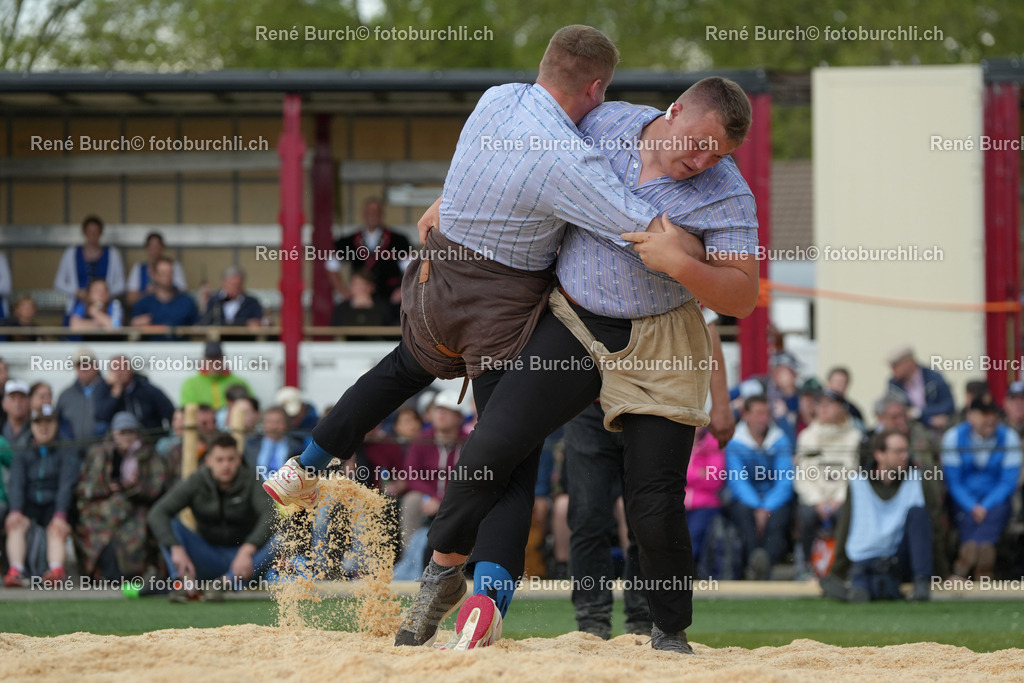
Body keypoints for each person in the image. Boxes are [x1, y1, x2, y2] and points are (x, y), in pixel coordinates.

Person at [266, 29, 756, 654]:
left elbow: (742, 297)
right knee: (492, 446)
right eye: (700, 144)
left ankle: (669, 632)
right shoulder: (602, 123)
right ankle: (443, 577)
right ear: (675, 111)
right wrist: (456, 199)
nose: (705, 161)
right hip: (575, 319)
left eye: (719, 154)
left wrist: (684, 263)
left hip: (661, 339)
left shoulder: (726, 190)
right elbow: (524, 165)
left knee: (652, 501)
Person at [147, 433, 277, 601]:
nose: (226, 465)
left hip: (246, 560)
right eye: (219, 460)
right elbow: (157, 513)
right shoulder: (197, 480)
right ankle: (183, 584)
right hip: (207, 555)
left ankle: (223, 584)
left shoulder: (252, 478)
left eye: (231, 459)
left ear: (239, 460)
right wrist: (175, 548)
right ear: (208, 461)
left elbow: (270, 514)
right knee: (169, 525)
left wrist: (248, 549)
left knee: (282, 537)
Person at [821, 429, 939, 602]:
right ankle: (858, 590)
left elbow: (934, 528)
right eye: (898, 451)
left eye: (906, 450)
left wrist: (943, 575)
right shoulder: (857, 483)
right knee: (863, 575)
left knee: (919, 514)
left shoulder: (919, 479)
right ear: (879, 455)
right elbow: (845, 529)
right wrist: (836, 573)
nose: (905, 456)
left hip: (901, 556)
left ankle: (921, 582)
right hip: (867, 556)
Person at [75, 412, 169, 580]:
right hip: (100, 509)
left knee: (138, 532)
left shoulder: (148, 454)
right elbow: (85, 487)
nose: (126, 437)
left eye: (130, 432)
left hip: (137, 507)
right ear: (113, 433)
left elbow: (156, 487)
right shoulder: (99, 453)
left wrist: (134, 487)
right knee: (97, 532)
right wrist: (106, 488)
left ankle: (136, 573)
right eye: (122, 433)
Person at [941, 397, 1022, 579]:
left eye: (994, 414)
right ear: (970, 416)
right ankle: (984, 566)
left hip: (996, 500)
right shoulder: (953, 437)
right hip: (963, 500)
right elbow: (954, 482)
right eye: (984, 414)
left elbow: (1008, 482)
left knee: (995, 512)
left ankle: (964, 563)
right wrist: (972, 506)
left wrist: (985, 505)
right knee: (967, 515)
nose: (990, 419)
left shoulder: (1009, 437)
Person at [3, 404, 81, 587]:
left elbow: (66, 486)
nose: (43, 427)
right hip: (30, 504)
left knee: (57, 528)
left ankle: (56, 571)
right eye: (38, 422)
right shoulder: (23, 448)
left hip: (54, 504)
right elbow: (17, 483)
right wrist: (15, 510)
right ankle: (15, 571)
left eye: (48, 422)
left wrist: (61, 514)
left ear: (56, 424)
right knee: (15, 525)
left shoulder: (66, 448)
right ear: (32, 425)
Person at [793, 389, 862, 579]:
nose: (823, 408)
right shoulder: (807, 436)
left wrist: (838, 499)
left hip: (842, 498)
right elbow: (803, 474)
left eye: (829, 404)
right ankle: (807, 567)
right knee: (806, 515)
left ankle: (841, 567)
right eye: (820, 404)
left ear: (842, 408)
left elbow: (854, 474)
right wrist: (818, 501)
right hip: (815, 498)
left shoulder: (855, 437)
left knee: (845, 514)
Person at [724, 395, 795, 580]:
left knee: (778, 517)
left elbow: (785, 479)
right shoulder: (735, 441)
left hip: (773, 499)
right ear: (746, 415)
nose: (763, 418)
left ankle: (766, 566)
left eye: (766, 413)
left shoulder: (780, 439)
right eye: (758, 413)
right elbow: (737, 480)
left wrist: (766, 507)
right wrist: (757, 505)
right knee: (743, 513)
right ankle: (752, 563)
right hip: (747, 499)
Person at [326, 198, 412, 315]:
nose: (372, 215)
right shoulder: (348, 240)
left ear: (382, 214)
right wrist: (343, 291)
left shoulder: (399, 240)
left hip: (389, 299)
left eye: (376, 212)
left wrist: (402, 290)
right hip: (359, 301)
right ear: (364, 215)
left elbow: (411, 268)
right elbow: (331, 265)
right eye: (369, 212)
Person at [53, 215, 125, 319]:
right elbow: (58, 283)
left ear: (101, 233)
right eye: (90, 232)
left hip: (105, 307)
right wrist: (78, 292)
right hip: (77, 304)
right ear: (84, 233)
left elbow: (121, 284)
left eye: (96, 232)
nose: (93, 235)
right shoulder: (71, 253)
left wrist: (103, 294)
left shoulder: (112, 253)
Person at [95, 354, 175, 438]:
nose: (119, 373)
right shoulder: (103, 389)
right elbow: (101, 417)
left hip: (148, 438)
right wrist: (115, 394)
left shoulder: (147, 389)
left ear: (131, 369)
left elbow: (169, 412)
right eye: (115, 368)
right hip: (117, 440)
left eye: (122, 367)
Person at [887, 346, 955, 432]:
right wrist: (929, 420)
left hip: (940, 429)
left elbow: (948, 406)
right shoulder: (894, 385)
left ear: (909, 362)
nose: (893, 370)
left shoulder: (934, 378)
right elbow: (901, 413)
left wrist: (918, 412)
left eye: (896, 365)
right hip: (911, 431)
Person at [130, 256, 198, 339]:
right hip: (152, 346)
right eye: (163, 273)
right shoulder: (143, 303)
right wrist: (135, 326)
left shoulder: (186, 301)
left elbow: (198, 329)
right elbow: (132, 331)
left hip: (181, 345)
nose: (167, 276)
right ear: (154, 275)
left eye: (170, 272)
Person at [55, 348, 110, 447]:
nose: (84, 368)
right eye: (80, 365)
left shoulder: (110, 391)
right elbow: (57, 422)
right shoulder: (66, 395)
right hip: (71, 451)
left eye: (87, 364)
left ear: (96, 365)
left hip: (103, 451)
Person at [178, 342, 252, 411]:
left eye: (217, 359)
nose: (213, 363)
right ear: (204, 359)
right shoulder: (190, 383)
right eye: (210, 359)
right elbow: (186, 409)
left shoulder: (239, 382)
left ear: (223, 359)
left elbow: (251, 407)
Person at [126, 232, 187, 306]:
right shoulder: (138, 268)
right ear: (147, 248)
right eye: (152, 246)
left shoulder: (174, 266)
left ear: (163, 248)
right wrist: (147, 293)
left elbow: (182, 292)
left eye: (157, 246)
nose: (155, 250)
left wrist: (164, 290)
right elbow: (130, 298)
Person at [244, 406, 304, 479]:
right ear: (263, 424)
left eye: (278, 422)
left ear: (286, 424)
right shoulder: (250, 445)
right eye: (269, 422)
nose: (274, 427)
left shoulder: (297, 448)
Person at [198, 266, 265, 327]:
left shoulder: (252, 302)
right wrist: (203, 305)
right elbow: (204, 323)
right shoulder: (214, 301)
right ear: (223, 283)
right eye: (231, 284)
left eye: (237, 285)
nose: (234, 288)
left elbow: (257, 322)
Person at [330, 269, 396, 328]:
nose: (361, 288)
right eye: (357, 284)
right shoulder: (342, 307)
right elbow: (335, 328)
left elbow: (390, 327)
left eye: (365, 284)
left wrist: (370, 306)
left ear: (372, 287)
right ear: (351, 287)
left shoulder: (383, 306)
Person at [2, 379, 32, 449]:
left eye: (22, 397)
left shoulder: (38, 430)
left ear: (29, 402)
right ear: (3, 404)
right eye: (13, 397)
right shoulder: (1, 429)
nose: (17, 402)